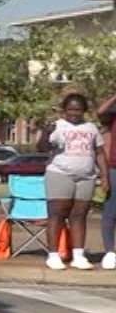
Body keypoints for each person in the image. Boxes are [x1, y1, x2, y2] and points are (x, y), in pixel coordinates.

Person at [41, 93, 106, 271]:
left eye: (78, 110)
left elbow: (99, 152)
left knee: (79, 215)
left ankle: (78, 255)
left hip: (86, 176)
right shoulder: (58, 126)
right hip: (60, 173)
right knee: (57, 213)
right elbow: (42, 148)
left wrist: (104, 177)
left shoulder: (91, 128)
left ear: (84, 111)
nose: (74, 113)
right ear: (64, 110)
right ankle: (53, 255)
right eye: (70, 109)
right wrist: (46, 132)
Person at [101, 94, 116, 269]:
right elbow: (100, 111)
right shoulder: (113, 117)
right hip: (114, 168)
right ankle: (110, 252)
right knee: (110, 212)